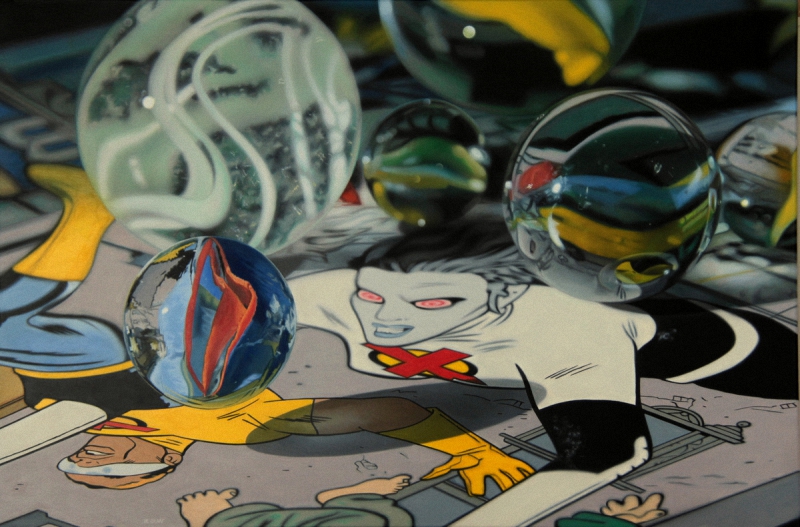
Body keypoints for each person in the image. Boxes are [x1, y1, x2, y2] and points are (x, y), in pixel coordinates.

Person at [0, 164, 531, 494]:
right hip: (151, 342)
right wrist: (471, 450)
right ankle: (88, 213)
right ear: (165, 460)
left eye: (81, 463)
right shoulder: (226, 424)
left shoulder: (88, 421)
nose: (90, 457)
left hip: (88, 353)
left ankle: (88, 213)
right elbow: (386, 412)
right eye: (114, 469)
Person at [288, 216, 797, 524]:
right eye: (372, 296)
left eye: (434, 303)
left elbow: (605, 452)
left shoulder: (566, 331)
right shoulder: (343, 291)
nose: (387, 319)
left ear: (505, 294)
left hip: (745, 350)